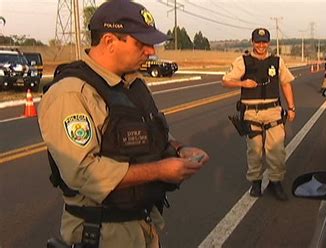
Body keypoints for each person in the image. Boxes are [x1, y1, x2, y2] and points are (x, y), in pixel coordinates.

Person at [38, 1, 209, 247]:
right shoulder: (73, 93)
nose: (151, 51)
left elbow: (153, 135)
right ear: (109, 41)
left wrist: (180, 150)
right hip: (103, 233)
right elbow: (84, 173)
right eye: (142, 43)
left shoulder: (133, 84)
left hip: (143, 225)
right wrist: (161, 170)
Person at [222, 28, 296, 201]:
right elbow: (225, 81)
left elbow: (286, 84)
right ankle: (255, 181)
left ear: (268, 43)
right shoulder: (243, 61)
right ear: (252, 42)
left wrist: (291, 108)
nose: (261, 45)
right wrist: (243, 83)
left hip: (273, 111)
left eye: (264, 42)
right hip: (251, 112)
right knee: (254, 150)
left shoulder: (277, 61)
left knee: (277, 150)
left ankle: (275, 182)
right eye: (257, 42)